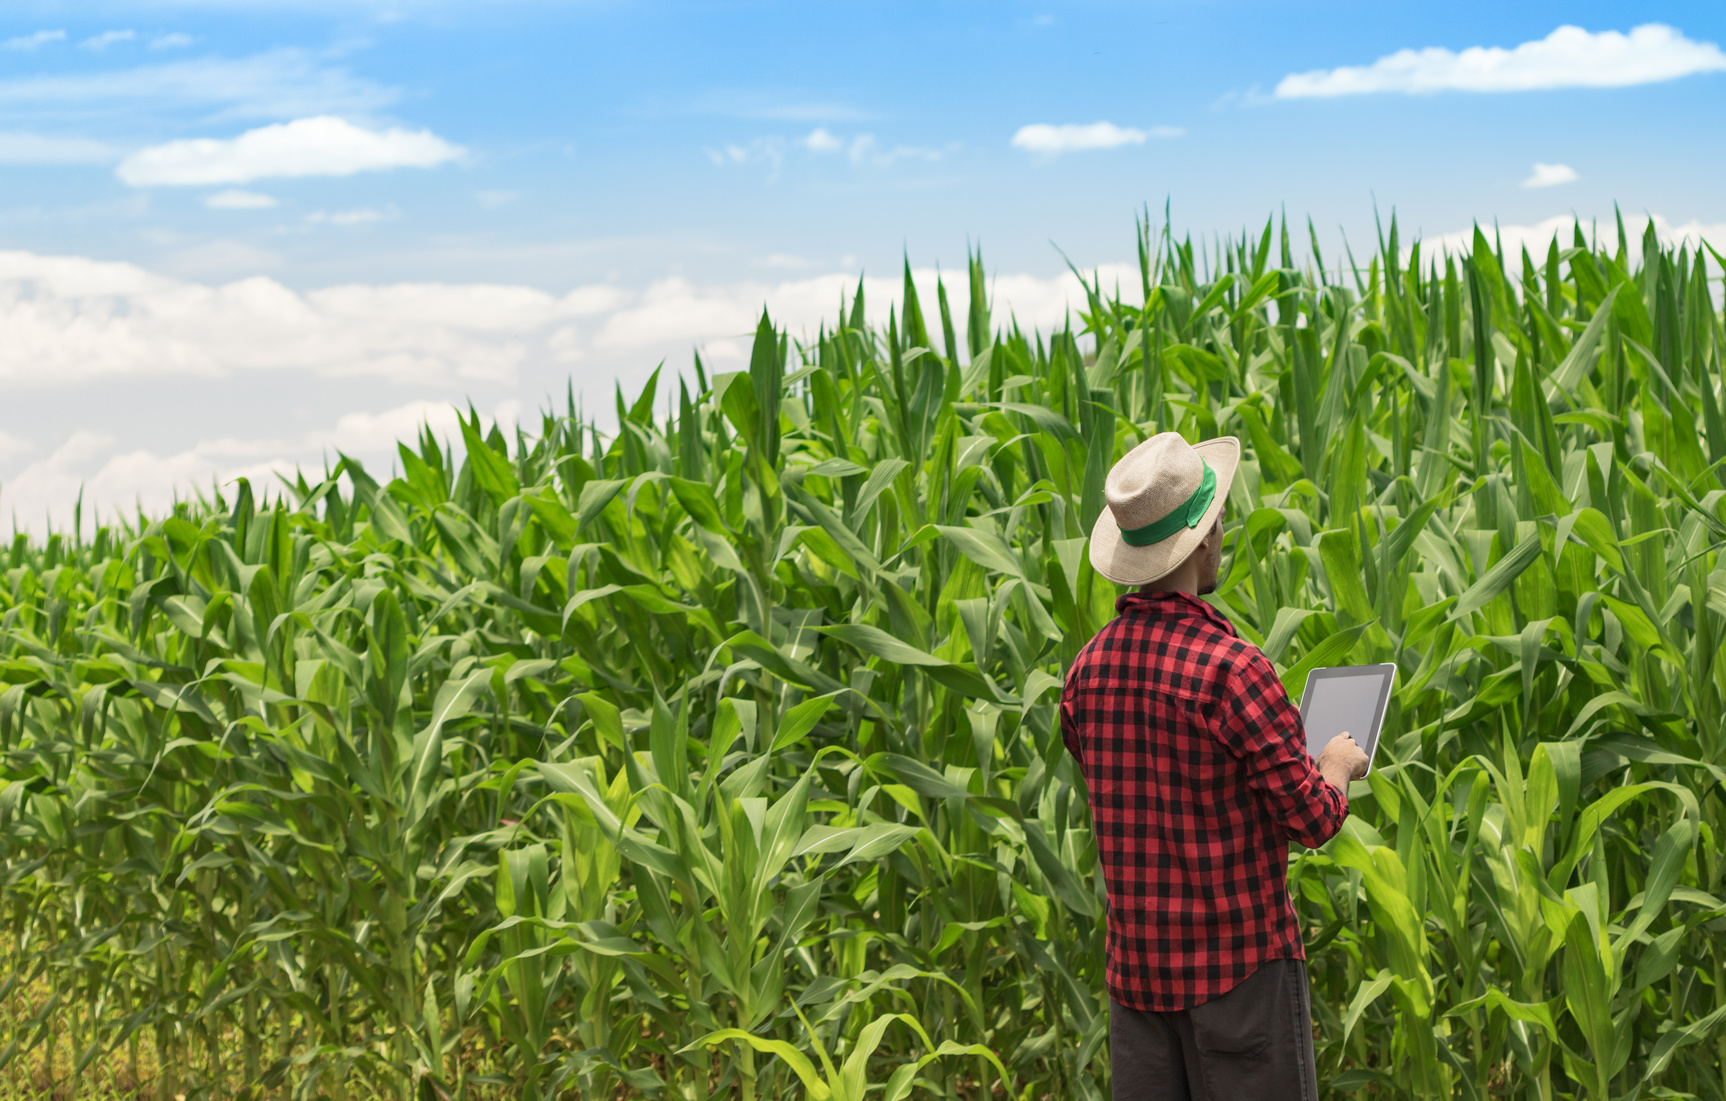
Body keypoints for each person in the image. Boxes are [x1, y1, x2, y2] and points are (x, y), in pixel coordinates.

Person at [1060, 431, 1370, 1101]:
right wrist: (1336, 763)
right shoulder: (1234, 671)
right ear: (1206, 537)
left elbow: (1111, 777)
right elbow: (1311, 816)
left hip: (1139, 985)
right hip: (1240, 980)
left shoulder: (1088, 671)